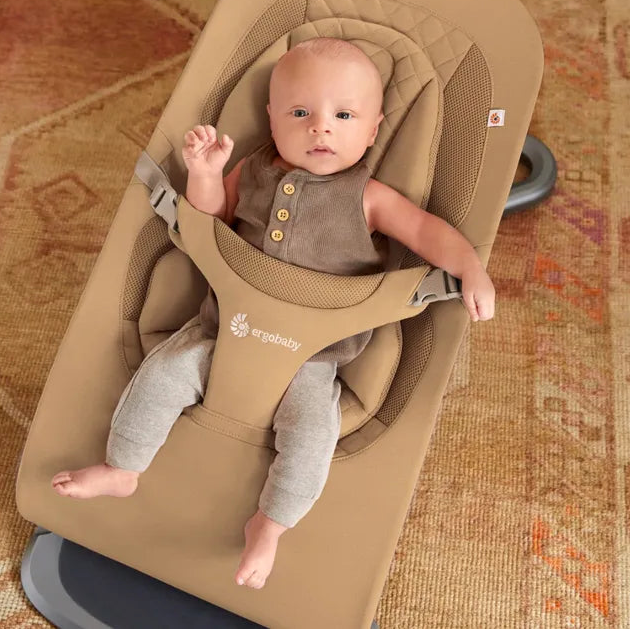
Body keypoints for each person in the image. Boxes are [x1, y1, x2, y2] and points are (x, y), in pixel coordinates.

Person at [51, 37, 495, 589]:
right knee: (161, 376)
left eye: (343, 116)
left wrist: (469, 268)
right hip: (221, 330)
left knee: (310, 438)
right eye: (300, 113)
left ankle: (271, 524)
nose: (321, 128)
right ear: (272, 117)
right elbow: (210, 221)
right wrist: (205, 173)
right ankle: (122, 469)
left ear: (373, 130)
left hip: (310, 358)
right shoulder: (253, 169)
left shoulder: (369, 197)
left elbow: (427, 232)